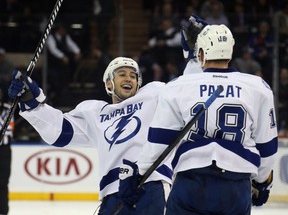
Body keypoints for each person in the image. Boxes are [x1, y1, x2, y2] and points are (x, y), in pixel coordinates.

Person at [118, 24, 278, 214]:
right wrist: (261, 183)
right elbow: (267, 147)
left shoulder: (178, 86)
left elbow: (159, 141)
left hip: (190, 183)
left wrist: (138, 175)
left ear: (200, 54)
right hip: (236, 186)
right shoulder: (257, 87)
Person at [7, 57, 172, 215]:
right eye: (122, 74)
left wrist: (194, 53)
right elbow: (59, 131)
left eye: (133, 76)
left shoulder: (153, 95)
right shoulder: (95, 113)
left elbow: (185, 93)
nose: (128, 79)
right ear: (109, 83)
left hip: (150, 186)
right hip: (112, 195)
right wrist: (32, 104)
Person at [46, 22, 82, 105]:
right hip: (53, 65)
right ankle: (54, 100)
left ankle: (63, 99)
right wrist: (62, 56)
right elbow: (53, 50)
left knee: (64, 80)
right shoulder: (51, 37)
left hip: (62, 67)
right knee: (55, 82)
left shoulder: (65, 37)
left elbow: (71, 45)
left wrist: (77, 52)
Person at [0, 85, 14, 215]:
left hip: (4, 150)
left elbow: (8, 130)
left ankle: (3, 212)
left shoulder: (7, 109)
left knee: (2, 183)